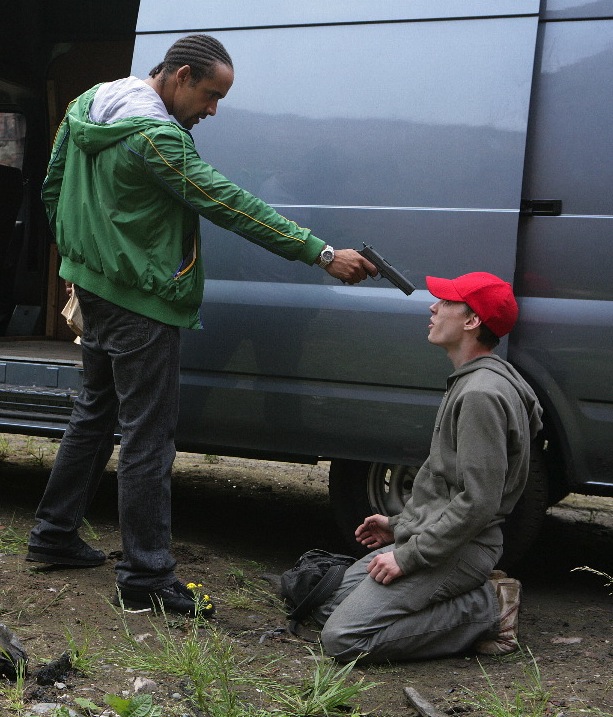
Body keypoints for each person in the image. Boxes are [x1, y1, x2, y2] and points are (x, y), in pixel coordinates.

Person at [27, 34, 375, 617]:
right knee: (148, 436)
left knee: (95, 413)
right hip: (142, 301)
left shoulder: (88, 105)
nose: (213, 110)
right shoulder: (156, 138)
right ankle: (145, 577)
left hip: (96, 286)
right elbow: (228, 202)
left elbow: (52, 188)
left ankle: (53, 534)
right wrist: (319, 252)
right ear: (181, 75)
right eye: (211, 95)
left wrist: (75, 263)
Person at [312, 271, 543, 663]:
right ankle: (453, 597)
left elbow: (478, 503)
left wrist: (408, 556)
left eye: (447, 302)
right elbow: (449, 489)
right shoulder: (473, 380)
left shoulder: (481, 395)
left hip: (460, 549)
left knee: (343, 639)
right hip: (440, 537)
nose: (433, 307)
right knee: (326, 603)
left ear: (472, 322)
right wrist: (400, 525)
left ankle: (487, 608)